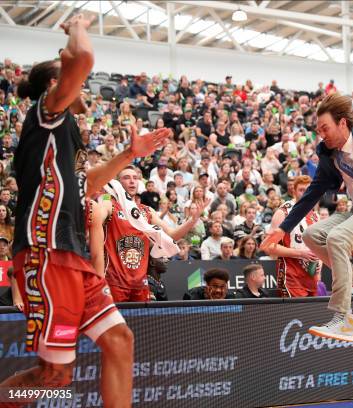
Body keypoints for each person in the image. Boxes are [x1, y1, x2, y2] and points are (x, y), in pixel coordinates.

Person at [1, 14, 171, 407]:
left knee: (119, 340)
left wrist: (130, 153)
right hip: (47, 251)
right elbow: (83, 59)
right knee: (53, 377)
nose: (84, 87)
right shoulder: (47, 113)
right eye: (67, 74)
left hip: (72, 256)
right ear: (53, 83)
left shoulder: (68, 132)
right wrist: (76, 26)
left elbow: (85, 187)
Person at [261, 94, 353, 343]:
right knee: (311, 235)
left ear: (342, 124)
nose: (321, 134)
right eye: (318, 129)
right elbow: (312, 193)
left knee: (337, 237)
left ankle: (343, 319)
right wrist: (283, 228)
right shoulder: (330, 153)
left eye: (325, 128)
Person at [95, 166, 203, 302]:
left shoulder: (146, 211)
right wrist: (104, 194)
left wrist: (192, 221)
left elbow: (171, 236)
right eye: (126, 178)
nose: (132, 181)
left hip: (140, 283)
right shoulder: (110, 204)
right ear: (118, 183)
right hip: (114, 281)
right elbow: (98, 212)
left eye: (135, 178)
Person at [263, 175, 320, 297]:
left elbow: (319, 247)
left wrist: (319, 264)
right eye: (301, 190)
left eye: (308, 190)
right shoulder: (283, 212)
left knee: (312, 315)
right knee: (297, 315)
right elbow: (269, 247)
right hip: (291, 276)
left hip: (311, 277)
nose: (306, 193)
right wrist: (300, 253)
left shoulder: (314, 215)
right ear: (293, 191)